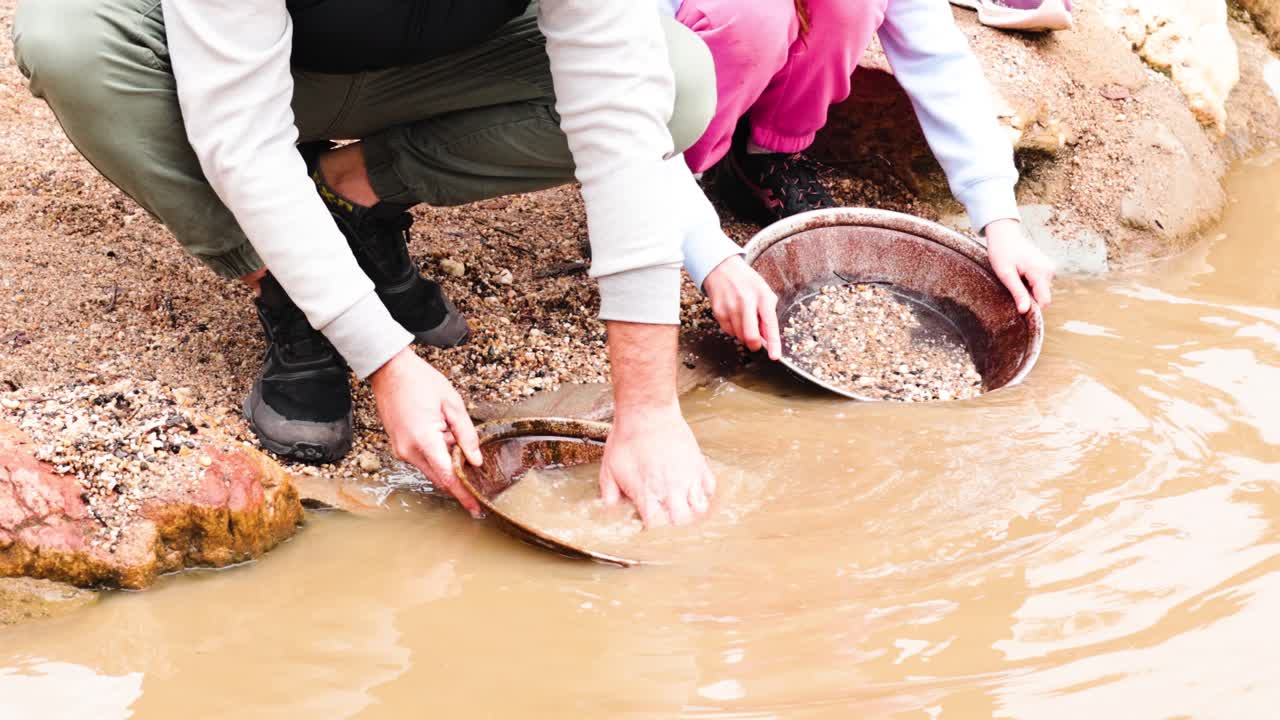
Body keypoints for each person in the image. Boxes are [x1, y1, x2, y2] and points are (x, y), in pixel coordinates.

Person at [11, 0, 765, 528]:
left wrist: (649, 409)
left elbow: (619, 109)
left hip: (445, 67)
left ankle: (351, 192)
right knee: (67, 37)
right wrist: (385, 359)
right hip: (232, 64)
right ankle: (281, 284)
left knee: (675, 80)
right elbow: (242, 136)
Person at [658, 0, 1056, 335]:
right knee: (751, 16)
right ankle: (689, 172)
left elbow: (938, 59)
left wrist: (999, 217)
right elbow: (632, 112)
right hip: (657, 109)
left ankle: (767, 152)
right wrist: (707, 251)